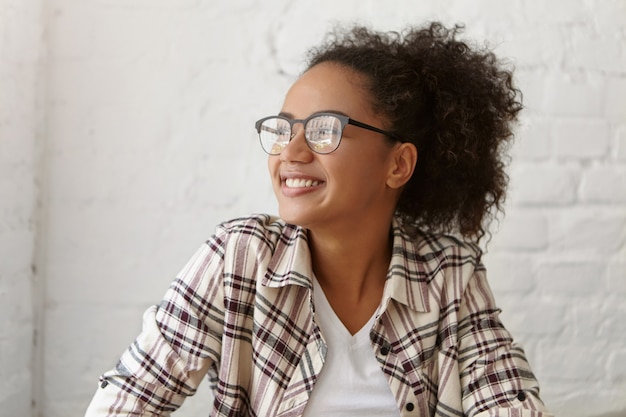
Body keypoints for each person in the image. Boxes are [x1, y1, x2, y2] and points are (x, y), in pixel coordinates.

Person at [85, 22, 553, 417]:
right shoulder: (240, 257)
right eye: (284, 128)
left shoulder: (450, 275)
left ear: (398, 165)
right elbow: (127, 400)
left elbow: (509, 403)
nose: (291, 151)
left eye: (325, 129)